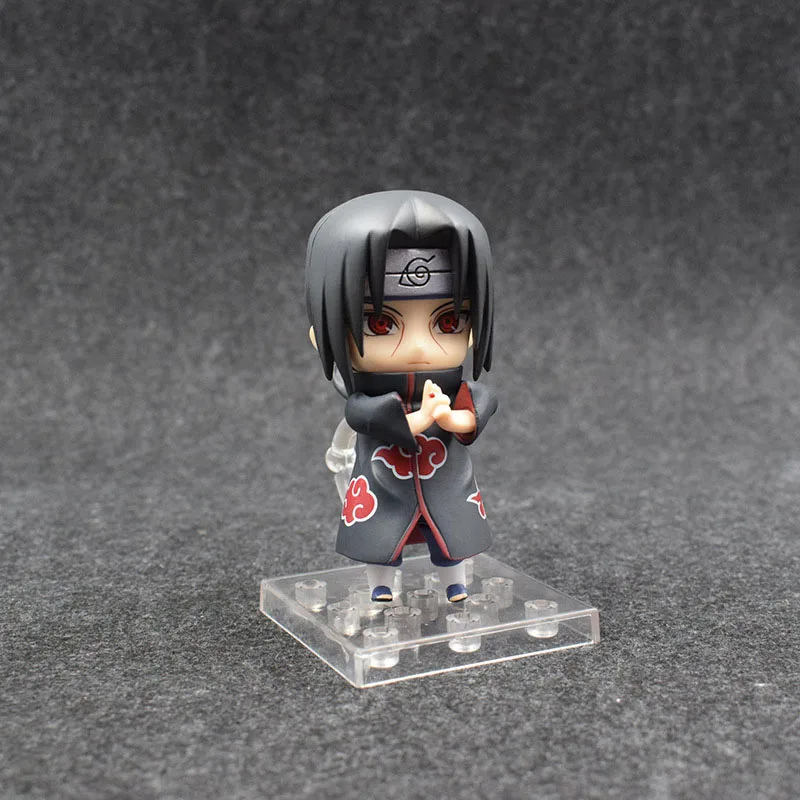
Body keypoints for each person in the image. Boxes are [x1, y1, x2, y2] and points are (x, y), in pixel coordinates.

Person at [305, 190, 497, 603]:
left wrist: (453, 420)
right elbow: (366, 416)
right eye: (379, 324)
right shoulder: (366, 396)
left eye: (449, 322)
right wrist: (421, 419)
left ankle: (455, 583)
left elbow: (477, 407)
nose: (418, 347)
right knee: (381, 538)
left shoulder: (452, 388)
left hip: (447, 479)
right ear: (326, 336)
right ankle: (381, 586)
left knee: (451, 534)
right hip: (383, 481)